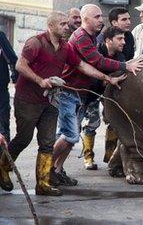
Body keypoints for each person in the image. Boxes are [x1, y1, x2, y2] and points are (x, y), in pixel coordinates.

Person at [0, 11, 126, 196]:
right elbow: (20, 65)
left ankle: (43, 184)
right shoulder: (36, 42)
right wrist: (40, 80)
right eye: (62, 24)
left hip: (51, 100)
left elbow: (82, 66)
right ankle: (2, 167)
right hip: (28, 100)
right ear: (51, 26)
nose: (67, 27)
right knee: (23, 138)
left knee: (48, 142)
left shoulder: (66, 47)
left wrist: (106, 77)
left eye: (67, 24)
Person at [52, 4, 143, 186]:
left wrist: (108, 79)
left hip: (78, 94)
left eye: (100, 16)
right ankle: (46, 168)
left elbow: (91, 66)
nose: (100, 20)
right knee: (69, 135)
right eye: (96, 16)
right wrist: (126, 66)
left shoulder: (91, 36)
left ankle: (57, 170)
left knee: (71, 136)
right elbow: (97, 61)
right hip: (68, 93)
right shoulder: (81, 37)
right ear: (85, 19)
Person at [83, 7, 135, 170]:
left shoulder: (121, 53)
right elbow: (93, 70)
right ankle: (88, 157)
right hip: (91, 91)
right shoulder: (97, 47)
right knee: (92, 123)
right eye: (120, 39)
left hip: (110, 92)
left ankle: (110, 155)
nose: (123, 42)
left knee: (114, 121)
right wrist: (105, 81)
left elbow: (125, 63)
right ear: (108, 40)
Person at [0, 31, 18, 144]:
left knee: (3, 128)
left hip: (1, 90)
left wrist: (16, 79)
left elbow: (12, 59)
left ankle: (4, 160)